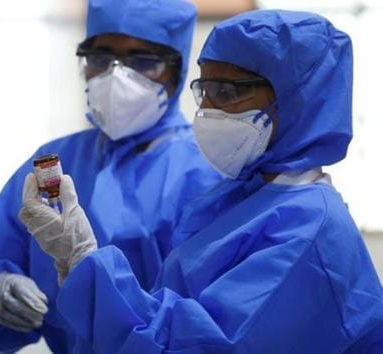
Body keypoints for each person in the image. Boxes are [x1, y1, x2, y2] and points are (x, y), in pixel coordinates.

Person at [19, 9, 383, 353]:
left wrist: (85, 263)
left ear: (296, 101)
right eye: (204, 91)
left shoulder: (309, 232)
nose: (207, 110)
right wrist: (78, 267)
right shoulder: (241, 200)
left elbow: (197, 344)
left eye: (226, 93)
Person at [0, 0, 222, 352]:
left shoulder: (212, 170)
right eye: (99, 59)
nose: (116, 76)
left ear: (176, 71)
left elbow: (219, 318)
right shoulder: (52, 163)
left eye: (143, 61)